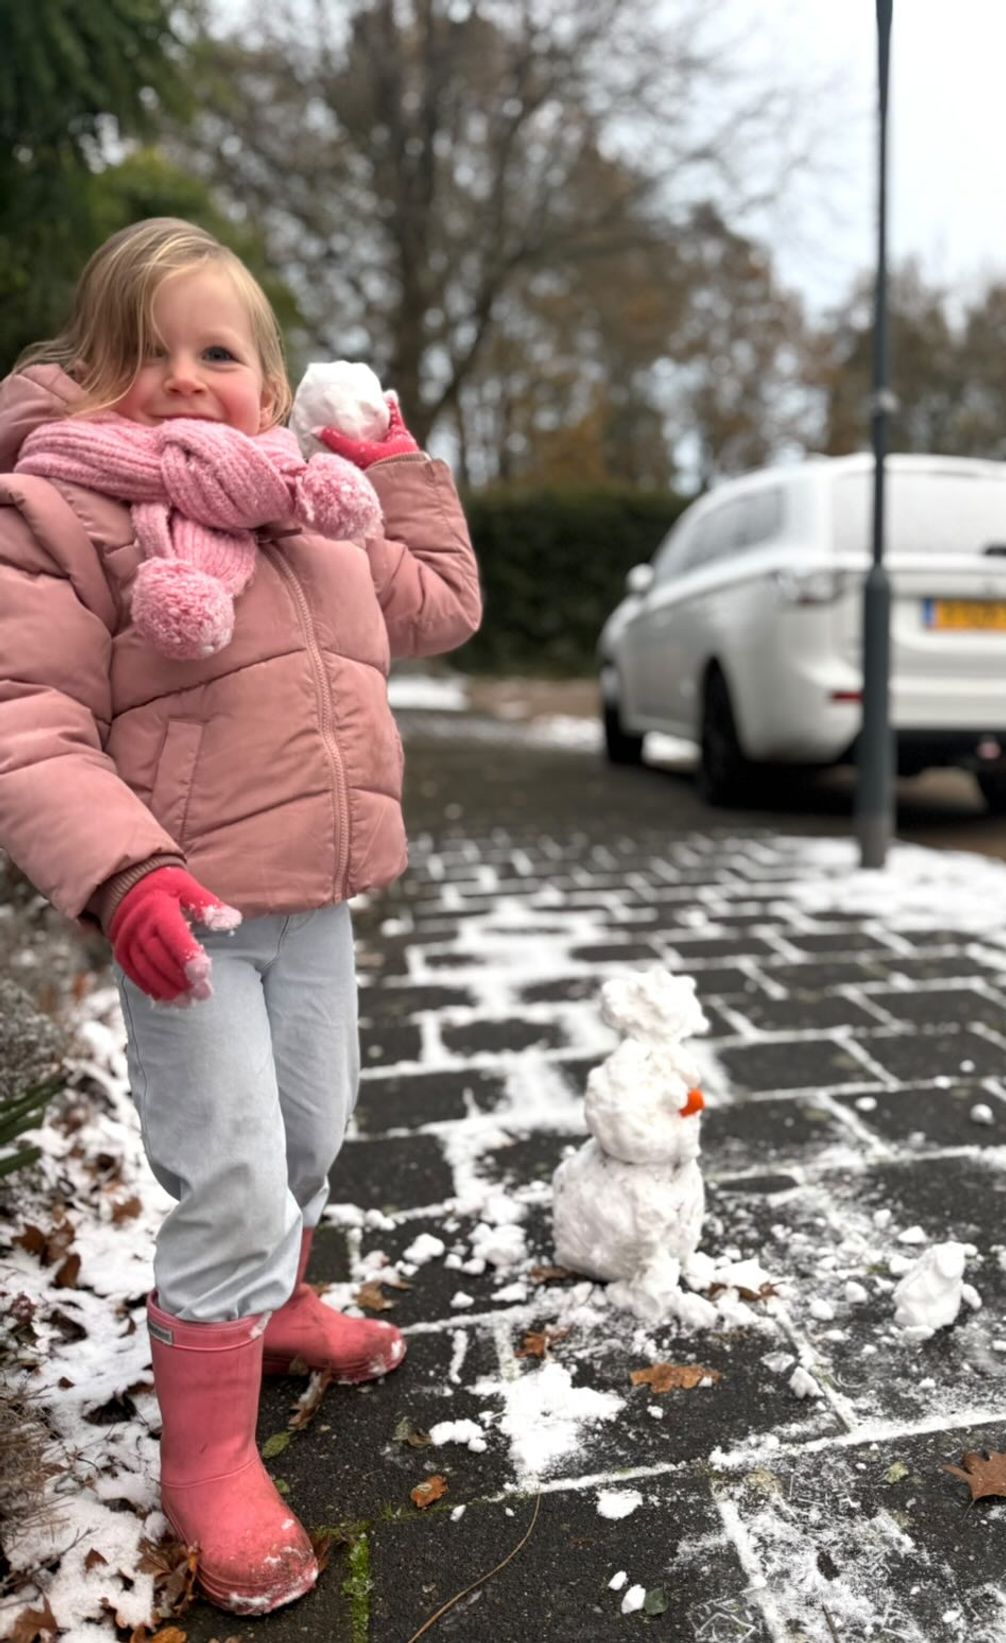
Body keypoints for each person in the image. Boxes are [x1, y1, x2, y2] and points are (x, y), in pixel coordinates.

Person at [0, 218, 481, 1615]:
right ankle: (207, 1458)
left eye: (218, 352)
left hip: (314, 906)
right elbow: (28, 722)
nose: (183, 377)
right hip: (183, 911)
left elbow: (444, 604)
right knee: (230, 1168)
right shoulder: (61, 516)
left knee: (313, 1131)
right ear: (92, 377)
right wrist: (120, 871)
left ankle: (274, 1304)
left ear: (275, 391)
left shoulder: (316, 513)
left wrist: (391, 467)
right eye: (143, 354)